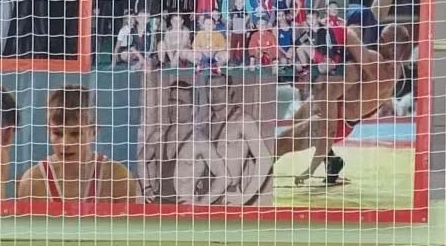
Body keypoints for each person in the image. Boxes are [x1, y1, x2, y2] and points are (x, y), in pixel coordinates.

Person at [277, 22, 410, 185]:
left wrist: (336, 29)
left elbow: (351, 40)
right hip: (339, 108)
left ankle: (256, 183)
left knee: (280, 143)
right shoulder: (393, 68)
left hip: (340, 118)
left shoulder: (374, 65)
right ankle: (332, 161)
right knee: (294, 125)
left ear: (390, 45)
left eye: (381, 40)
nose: (377, 42)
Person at [17, 86, 139, 203]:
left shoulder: (118, 179)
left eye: (75, 133)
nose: (65, 143)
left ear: (94, 132)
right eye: (57, 133)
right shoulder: (32, 182)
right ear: (48, 131)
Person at [174, 74, 273, 205]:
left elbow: (265, 160)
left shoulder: (242, 121)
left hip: (227, 199)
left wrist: (245, 197)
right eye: (210, 89)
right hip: (204, 198)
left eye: (220, 89)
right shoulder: (204, 124)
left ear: (230, 91)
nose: (215, 95)